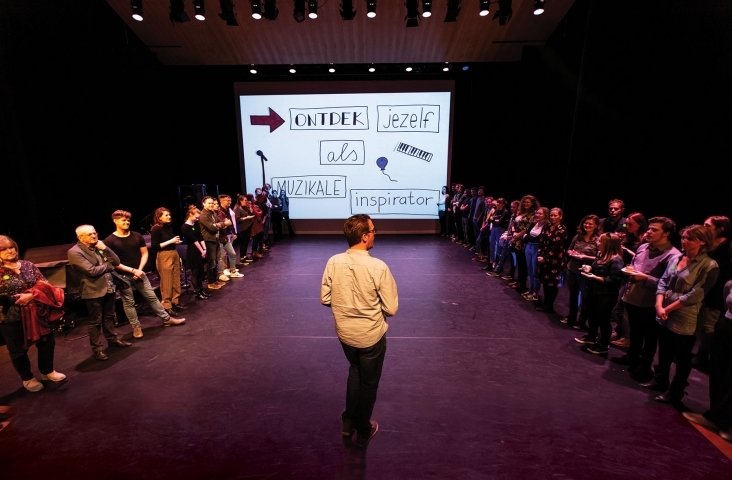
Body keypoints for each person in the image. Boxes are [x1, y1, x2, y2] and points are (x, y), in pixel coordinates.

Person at [321, 214, 398, 447]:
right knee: (369, 383)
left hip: (345, 334)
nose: (375, 234)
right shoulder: (378, 267)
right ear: (364, 237)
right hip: (370, 335)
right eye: (373, 231)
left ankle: (348, 421)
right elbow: (391, 308)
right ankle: (363, 430)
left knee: (355, 371)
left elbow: (325, 298)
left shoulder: (333, 261)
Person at [646, 224, 718, 404]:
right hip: (664, 308)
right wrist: (659, 304)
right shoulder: (677, 257)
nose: (683, 241)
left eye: (688, 238)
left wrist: (667, 309)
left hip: (685, 315)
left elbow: (696, 294)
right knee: (664, 348)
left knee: (682, 356)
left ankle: (676, 390)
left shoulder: (709, 265)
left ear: (701, 241)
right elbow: (663, 281)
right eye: (683, 237)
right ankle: (660, 379)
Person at [610, 217, 680, 381]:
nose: (648, 232)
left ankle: (644, 364)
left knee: (649, 336)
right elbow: (635, 266)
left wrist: (645, 278)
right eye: (649, 228)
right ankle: (632, 357)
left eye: (654, 230)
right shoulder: (643, 247)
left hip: (651, 303)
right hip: (633, 296)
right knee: (634, 332)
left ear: (667, 233)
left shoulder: (673, 256)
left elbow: (670, 283)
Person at [104, 210, 185, 339]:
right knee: (129, 303)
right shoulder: (109, 241)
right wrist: (132, 271)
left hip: (140, 273)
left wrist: (139, 269)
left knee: (152, 297)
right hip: (122, 276)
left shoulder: (136, 235)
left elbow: (144, 253)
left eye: (128, 220)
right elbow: (113, 263)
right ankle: (136, 327)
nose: (126, 222)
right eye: (123, 220)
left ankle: (166, 319)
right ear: (115, 221)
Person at [0, 235, 66, 392]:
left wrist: (31, 295)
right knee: (17, 349)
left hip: (37, 311)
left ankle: (47, 372)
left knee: (47, 342)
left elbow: (44, 284)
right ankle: (27, 378)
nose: (9, 251)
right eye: (3, 249)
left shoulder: (28, 265)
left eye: (11, 247)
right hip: (11, 317)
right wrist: (16, 297)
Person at [68, 225, 132, 361]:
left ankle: (112, 340)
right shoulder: (74, 252)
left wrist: (105, 249)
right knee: (95, 321)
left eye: (95, 233)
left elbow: (116, 261)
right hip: (92, 290)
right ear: (80, 237)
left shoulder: (99, 246)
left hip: (108, 287)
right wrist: (108, 266)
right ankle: (97, 349)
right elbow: (91, 271)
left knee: (109, 316)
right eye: (90, 234)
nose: (94, 236)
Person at [683, 279, 732, 442]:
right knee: (718, 371)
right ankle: (716, 416)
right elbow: (727, 296)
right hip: (727, 324)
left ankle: (722, 419)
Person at [574, 233, 625, 355]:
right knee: (593, 315)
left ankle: (603, 345)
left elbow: (614, 280)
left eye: (599, 241)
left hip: (606, 294)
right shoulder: (601, 254)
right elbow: (595, 267)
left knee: (603, 319)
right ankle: (592, 337)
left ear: (607, 244)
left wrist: (595, 277)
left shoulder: (616, 260)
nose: (597, 243)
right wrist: (589, 268)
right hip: (594, 290)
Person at [694, 216, 732, 367]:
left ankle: (703, 357)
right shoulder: (707, 244)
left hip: (717, 293)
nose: (703, 227)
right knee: (697, 324)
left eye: (707, 225)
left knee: (708, 326)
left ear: (720, 228)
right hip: (702, 289)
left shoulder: (728, 246)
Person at [562, 214, 600, 328]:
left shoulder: (598, 240)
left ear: (596, 226)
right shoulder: (578, 236)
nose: (587, 225)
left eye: (590, 224)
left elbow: (600, 257)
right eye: (585, 223)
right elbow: (569, 249)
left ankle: (582, 321)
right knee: (573, 295)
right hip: (572, 268)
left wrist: (585, 257)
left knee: (585, 297)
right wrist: (571, 253)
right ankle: (571, 317)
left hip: (585, 272)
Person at [535, 208, 568, 313]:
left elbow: (557, 247)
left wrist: (545, 258)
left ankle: (549, 305)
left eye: (555, 216)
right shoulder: (546, 226)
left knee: (552, 283)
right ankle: (546, 302)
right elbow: (541, 241)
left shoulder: (562, 229)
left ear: (560, 216)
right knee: (545, 281)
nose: (553, 217)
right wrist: (540, 254)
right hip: (543, 258)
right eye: (551, 215)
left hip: (555, 260)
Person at [508, 195, 539, 294]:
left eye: (528, 202)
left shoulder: (533, 214)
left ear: (533, 204)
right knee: (520, 263)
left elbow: (528, 228)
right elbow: (514, 223)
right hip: (516, 239)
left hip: (523, 240)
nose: (526, 204)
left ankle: (523, 285)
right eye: (524, 202)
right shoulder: (522, 212)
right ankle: (519, 281)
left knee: (523, 264)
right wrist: (513, 234)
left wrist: (517, 236)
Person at [198, 196, 229, 289]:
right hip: (208, 240)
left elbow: (224, 222)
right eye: (209, 203)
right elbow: (212, 228)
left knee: (215, 261)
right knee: (211, 262)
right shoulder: (203, 215)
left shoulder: (213, 213)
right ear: (203, 203)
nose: (211, 205)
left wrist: (219, 224)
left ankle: (215, 280)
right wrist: (220, 225)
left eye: (212, 203)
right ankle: (211, 282)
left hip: (215, 239)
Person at [180, 205, 209, 299]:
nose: (197, 219)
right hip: (193, 251)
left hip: (200, 250)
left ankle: (201, 290)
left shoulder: (195, 225)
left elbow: (200, 237)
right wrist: (201, 251)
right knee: (195, 272)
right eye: (196, 217)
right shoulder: (185, 227)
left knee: (201, 271)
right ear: (190, 215)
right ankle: (197, 292)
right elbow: (194, 240)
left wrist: (205, 249)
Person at [521, 206, 548, 301]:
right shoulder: (534, 223)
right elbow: (526, 234)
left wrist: (527, 237)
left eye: (540, 214)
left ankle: (535, 292)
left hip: (537, 248)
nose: (538, 215)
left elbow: (538, 238)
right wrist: (527, 237)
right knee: (529, 269)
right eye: (537, 213)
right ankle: (531, 289)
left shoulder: (546, 226)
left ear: (545, 215)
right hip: (528, 246)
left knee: (535, 270)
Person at [233, 194, 255, 263]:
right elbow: (237, 219)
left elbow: (250, 213)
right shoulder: (237, 208)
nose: (246, 201)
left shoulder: (244, 207)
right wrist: (246, 218)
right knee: (244, 243)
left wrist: (250, 207)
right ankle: (242, 258)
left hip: (247, 226)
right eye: (245, 200)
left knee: (246, 242)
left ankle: (244, 256)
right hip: (242, 228)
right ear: (240, 201)